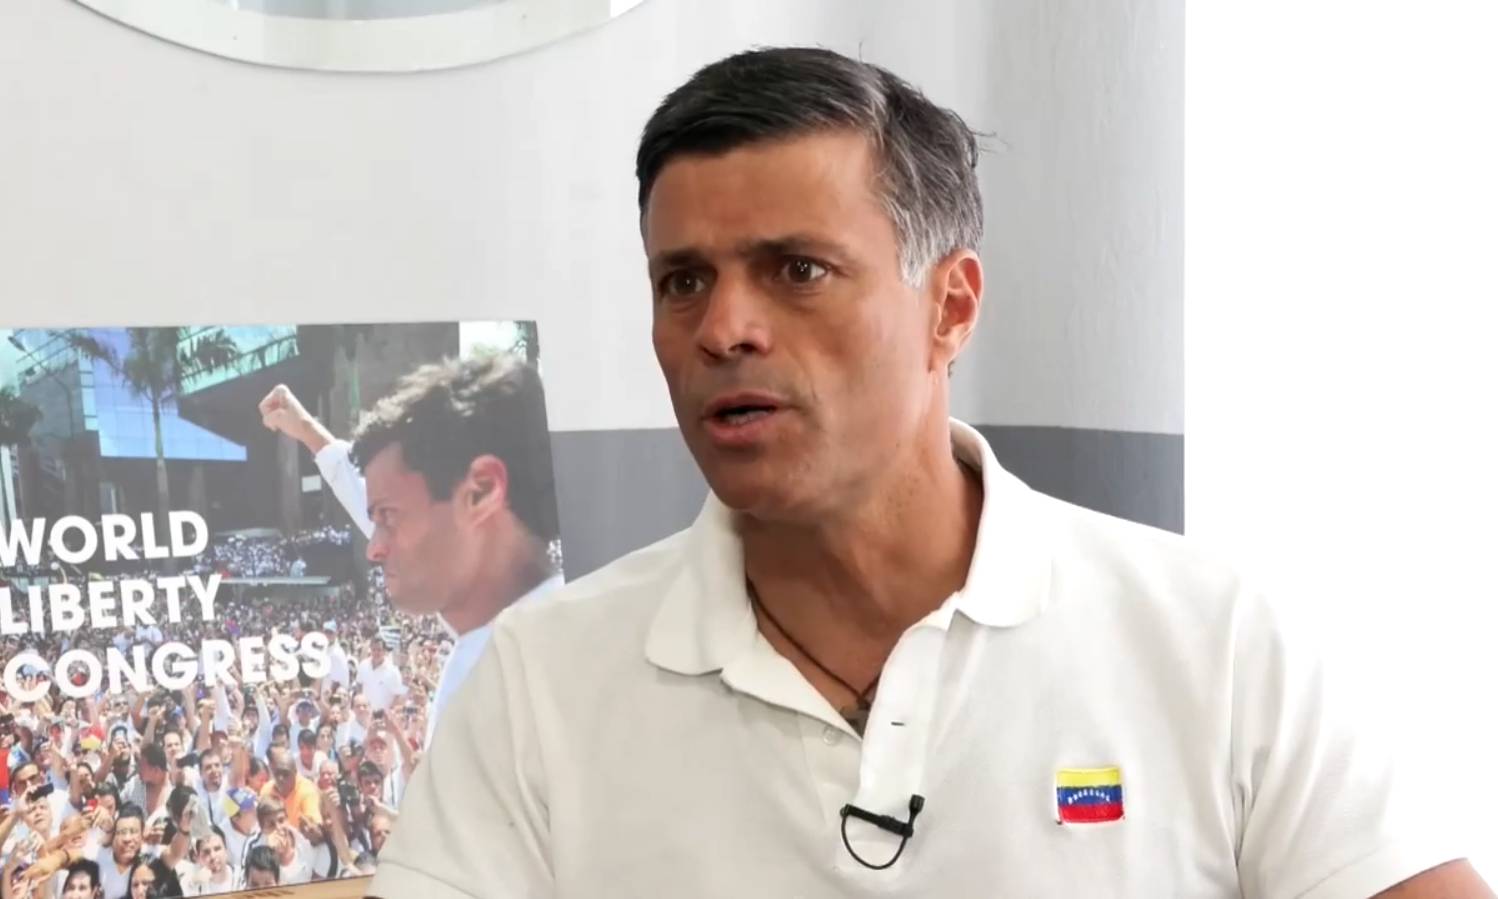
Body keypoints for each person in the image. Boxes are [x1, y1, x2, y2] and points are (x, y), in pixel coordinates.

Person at [368, 46, 1492, 899]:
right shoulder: (542, 680)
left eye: (797, 270)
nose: (723, 328)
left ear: (949, 306)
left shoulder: (1210, 637)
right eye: (683, 281)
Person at [257, 352, 565, 740]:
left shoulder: (553, 678)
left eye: (388, 516)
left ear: (481, 494)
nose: (374, 550)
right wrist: (309, 433)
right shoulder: (498, 647)